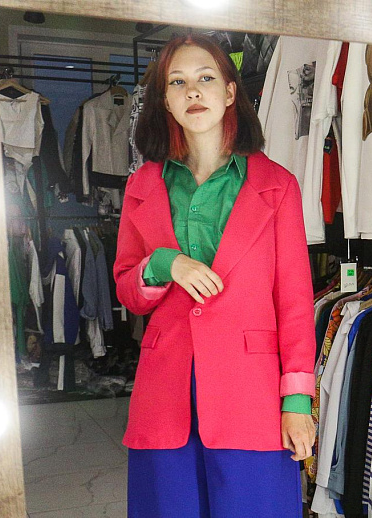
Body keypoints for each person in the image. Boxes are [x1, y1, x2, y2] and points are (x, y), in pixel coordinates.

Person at [114, 33, 317, 517]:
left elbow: (294, 301)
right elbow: (128, 289)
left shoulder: (277, 185)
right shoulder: (143, 185)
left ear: (229, 93)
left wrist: (297, 402)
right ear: (165, 100)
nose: (192, 91)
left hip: (251, 393)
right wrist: (164, 264)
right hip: (166, 391)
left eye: (205, 78)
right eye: (177, 82)